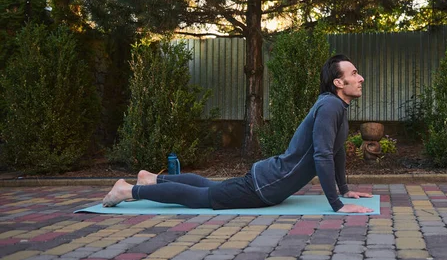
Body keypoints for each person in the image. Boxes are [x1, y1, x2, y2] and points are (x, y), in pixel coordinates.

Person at [102, 54, 373, 213]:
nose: (360, 78)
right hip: (266, 186)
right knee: (204, 198)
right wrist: (337, 204)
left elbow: (335, 152)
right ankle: (129, 191)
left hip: (269, 181)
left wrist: (345, 190)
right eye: (354, 73)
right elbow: (322, 154)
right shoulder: (329, 106)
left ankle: (150, 178)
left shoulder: (336, 107)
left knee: (212, 187)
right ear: (339, 82)